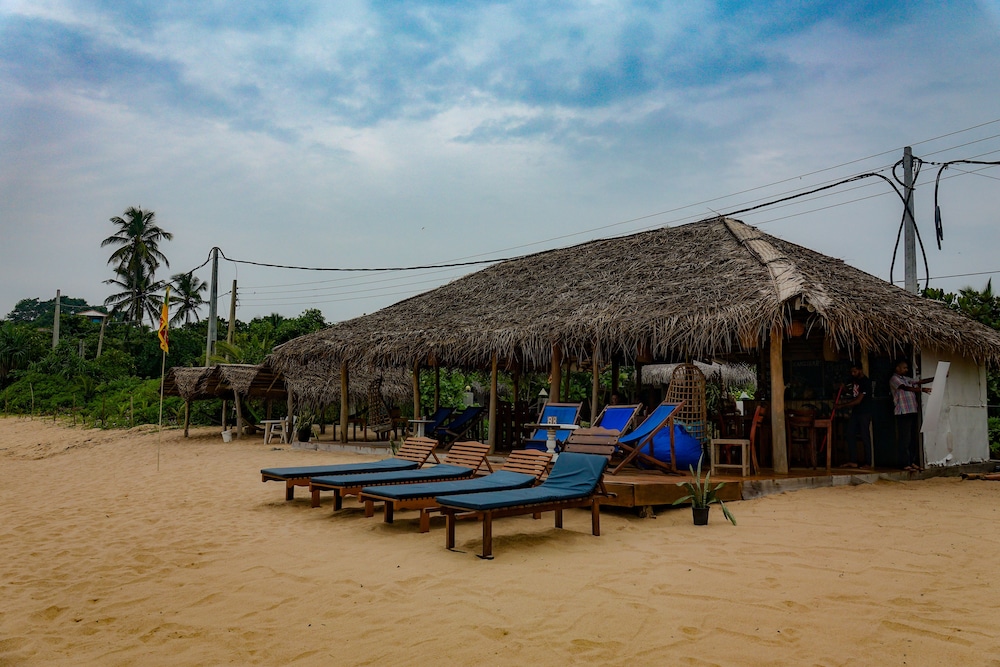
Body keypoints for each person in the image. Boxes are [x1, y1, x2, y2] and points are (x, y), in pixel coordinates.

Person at [889, 359, 933, 472]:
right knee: (905, 439)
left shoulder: (906, 379)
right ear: (897, 368)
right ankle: (905, 463)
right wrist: (922, 390)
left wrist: (935, 378)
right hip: (903, 412)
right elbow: (905, 388)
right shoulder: (895, 379)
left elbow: (920, 381)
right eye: (904, 367)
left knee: (912, 438)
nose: (906, 369)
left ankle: (911, 461)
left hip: (912, 410)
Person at [836, 362, 872, 468]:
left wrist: (841, 406)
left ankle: (868, 463)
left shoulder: (865, 382)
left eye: (854, 371)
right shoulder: (855, 381)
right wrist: (844, 389)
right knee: (850, 433)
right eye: (851, 371)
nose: (852, 373)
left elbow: (858, 400)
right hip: (856, 412)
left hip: (864, 412)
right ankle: (853, 460)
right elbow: (853, 394)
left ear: (860, 370)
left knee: (865, 436)